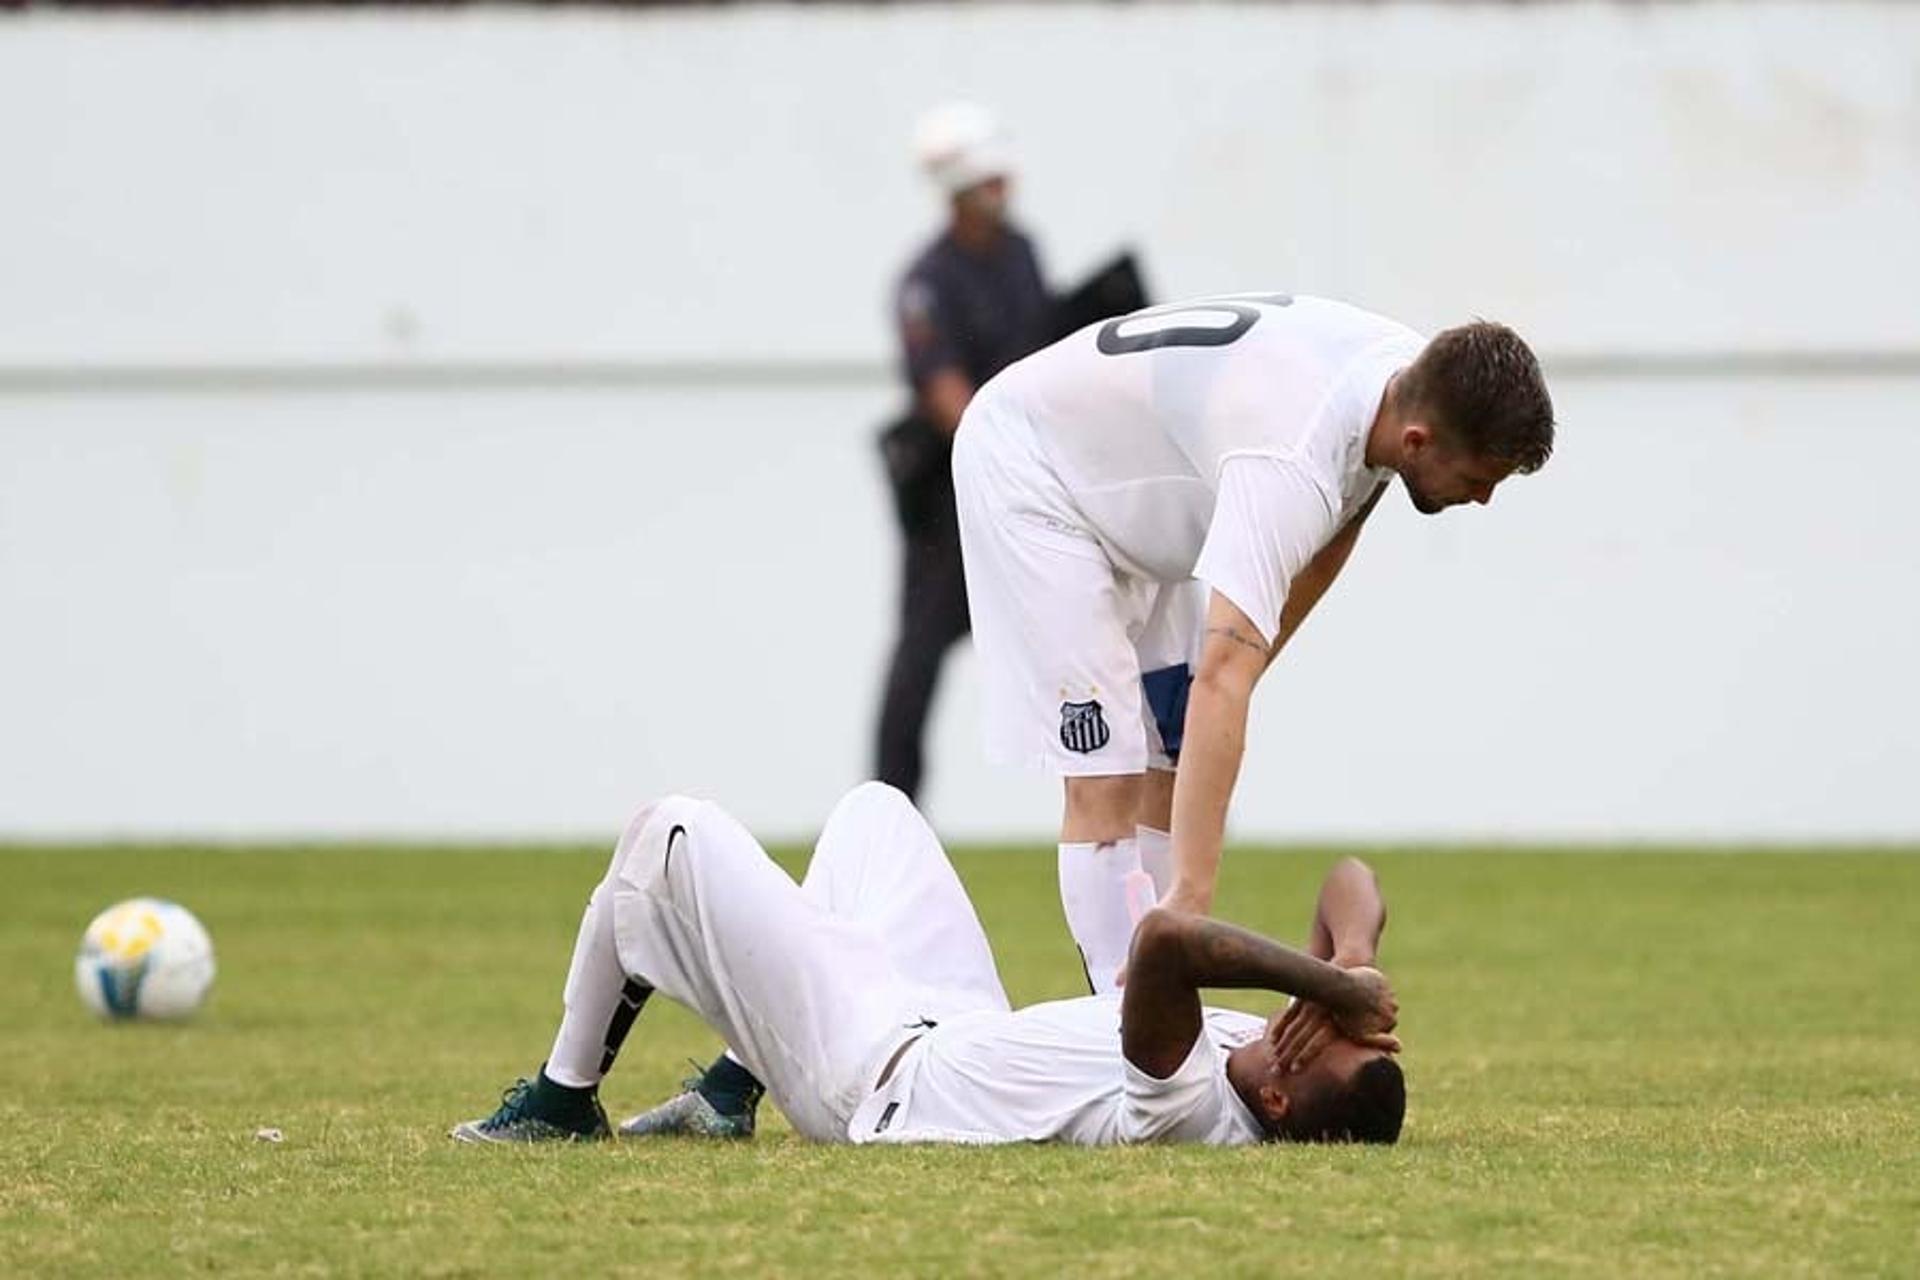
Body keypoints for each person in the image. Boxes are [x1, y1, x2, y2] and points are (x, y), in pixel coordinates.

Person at [951, 293, 1556, 993]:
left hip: (1128, 489)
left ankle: (1152, 1008)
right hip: (1034, 474)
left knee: (1171, 746)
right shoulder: (1288, 461)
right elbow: (1223, 677)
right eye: (1479, 479)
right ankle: (1126, 1028)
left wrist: (1239, 666)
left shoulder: (1406, 381)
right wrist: (1192, 908)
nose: (1482, 499)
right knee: (1108, 772)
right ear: (1419, 441)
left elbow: (1340, 522)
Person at [451, 782, 1404, 1148]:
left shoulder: (1193, 1108)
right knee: (877, 815)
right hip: (955, 1020)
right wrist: (1352, 963)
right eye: (1315, 1022)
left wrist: (1324, 988)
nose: (1299, 1025)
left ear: (1278, 1102)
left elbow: (1165, 942)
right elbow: (1351, 879)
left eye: (1307, 1040)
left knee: (666, 835)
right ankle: (730, 1091)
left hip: (871, 1077)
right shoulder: (1289, 1065)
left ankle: (561, 1103)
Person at [873, 102, 1054, 803]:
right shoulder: (926, 284)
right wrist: (1005, 446)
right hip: (952, 500)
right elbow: (946, 395)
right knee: (919, 653)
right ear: (960, 191)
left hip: (1027, 485)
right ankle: (892, 809)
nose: (1003, 195)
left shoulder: (1023, 255)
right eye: (991, 184)